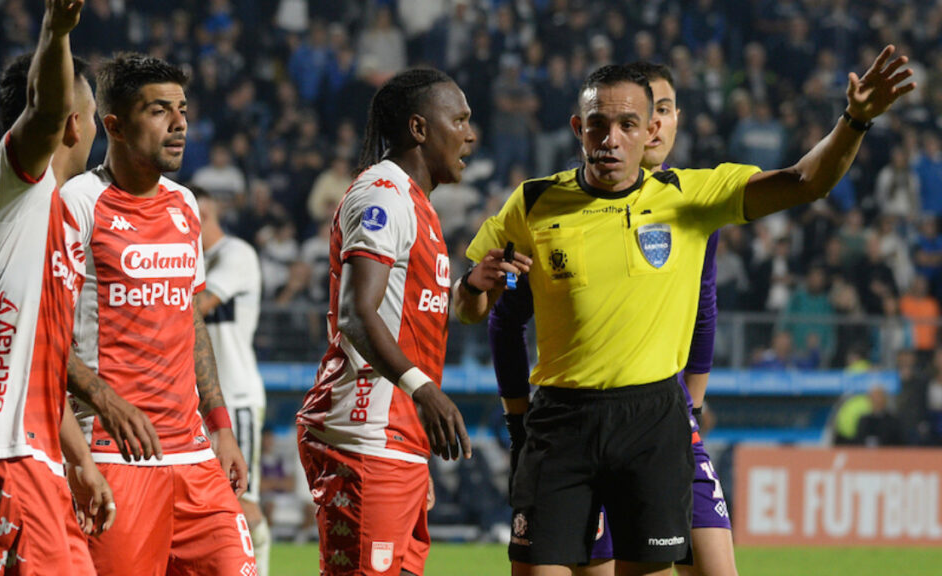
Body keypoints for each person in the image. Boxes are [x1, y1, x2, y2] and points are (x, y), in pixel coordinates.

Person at [455, 49, 914, 576]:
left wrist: (854, 121)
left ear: (649, 129)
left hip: (652, 419)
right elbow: (473, 311)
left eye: (627, 124)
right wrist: (472, 287)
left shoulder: (690, 197)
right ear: (578, 127)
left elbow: (806, 181)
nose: (611, 138)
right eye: (599, 125)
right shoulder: (531, 203)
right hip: (561, 420)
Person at [487, 61, 737, 576]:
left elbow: (703, 309)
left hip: (659, 418)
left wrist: (691, 404)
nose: (657, 125)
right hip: (572, 418)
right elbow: (503, 313)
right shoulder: (546, 204)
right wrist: (518, 421)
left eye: (664, 112)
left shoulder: (690, 202)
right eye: (613, 122)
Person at [295, 68, 530, 576]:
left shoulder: (418, 205)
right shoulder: (383, 195)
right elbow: (358, 314)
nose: (471, 134)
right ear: (420, 129)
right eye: (460, 120)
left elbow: (410, 313)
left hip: (396, 437)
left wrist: (470, 288)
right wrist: (424, 392)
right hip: (365, 430)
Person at [0, 2, 116, 574]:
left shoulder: (57, 219)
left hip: (38, 454)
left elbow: (44, 361)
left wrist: (79, 460)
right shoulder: (12, 185)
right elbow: (47, 107)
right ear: (75, 123)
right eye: (92, 115)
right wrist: (56, 30)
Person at [61, 53, 255, 576]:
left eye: (183, 109)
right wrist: (102, 404)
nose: (179, 123)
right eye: (159, 110)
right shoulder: (78, 203)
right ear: (114, 126)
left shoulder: (185, 206)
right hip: (115, 456)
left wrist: (221, 426)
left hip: (194, 456)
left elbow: (190, 320)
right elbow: (44, 334)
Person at [194, 186, 272, 576]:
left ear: (203, 213)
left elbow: (198, 305)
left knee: (243, 498)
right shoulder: (195, 259)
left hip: (235, 394)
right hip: (201, 402)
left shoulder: (235, 254)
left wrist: (149, 294)